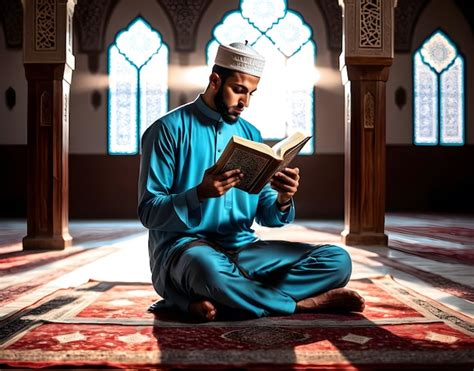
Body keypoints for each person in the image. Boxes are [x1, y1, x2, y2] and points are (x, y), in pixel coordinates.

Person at [138, 41, 365, 322]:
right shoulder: (167, 130)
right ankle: (299, 305)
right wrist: (198, 193)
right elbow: (149, 212)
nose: (245, 102)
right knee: (207, 270)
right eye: (239, 90)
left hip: (244, 250)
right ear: (215, 80)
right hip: (186, 250)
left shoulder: (251, 135)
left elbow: (266, 214)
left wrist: (283, 198)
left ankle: (206, 301)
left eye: (251, 93)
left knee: (337, 261)